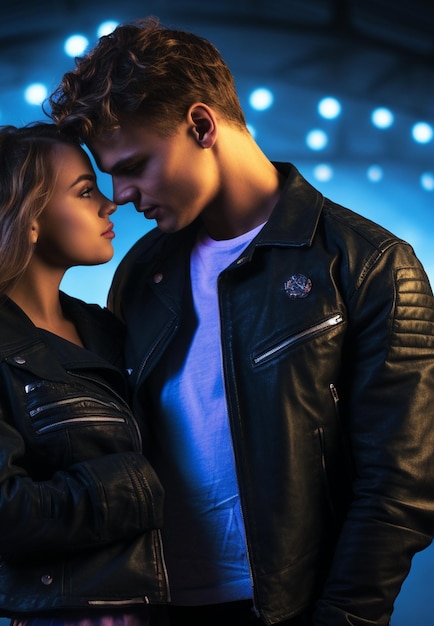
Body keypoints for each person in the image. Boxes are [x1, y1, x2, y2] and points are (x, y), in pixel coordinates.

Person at [48, 17, 434, 626]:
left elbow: (401, 489)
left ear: (201, 125)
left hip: (289, 609)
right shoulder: (143, 271)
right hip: (156, 605)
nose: (119, 193)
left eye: (135, 164)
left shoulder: (369, 266)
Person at [0, 123, 170, 626]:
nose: (109, 204)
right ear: (27, 217)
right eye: (85, 190)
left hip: (166, 605)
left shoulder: (107, 327)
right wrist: (139, 485)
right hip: (72, 617)